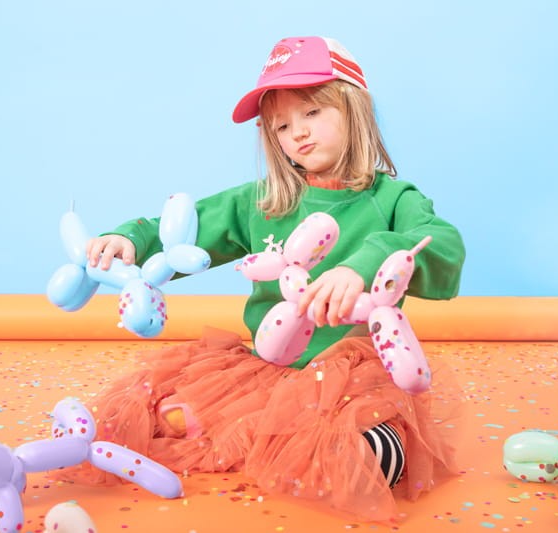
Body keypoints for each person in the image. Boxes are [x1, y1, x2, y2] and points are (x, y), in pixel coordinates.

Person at [66, 36, 466, 523]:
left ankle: (327, 443)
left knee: (369, 455)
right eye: (281, 125)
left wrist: (364, 264)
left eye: (312, 112)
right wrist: (129, 239)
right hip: (270, 367)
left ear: (354, 108)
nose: (298, 133)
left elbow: (442, 245)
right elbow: (182, 230)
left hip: (353, 379)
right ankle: (248, 430)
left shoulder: (392, 198)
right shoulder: (264, 200)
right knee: (156, 413)